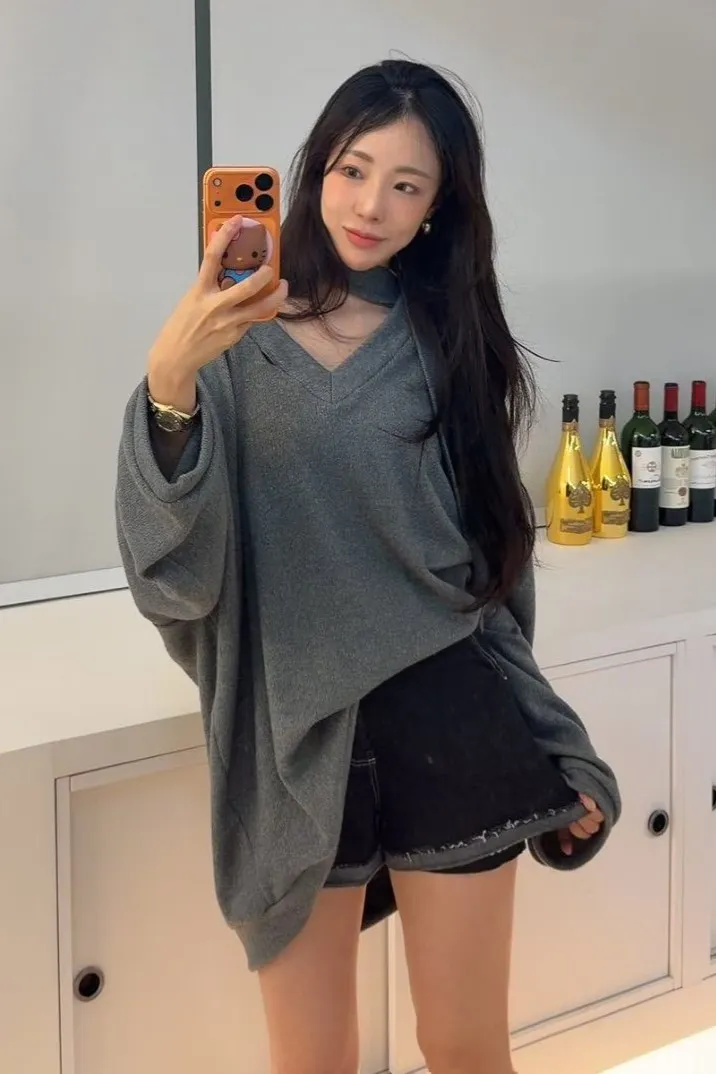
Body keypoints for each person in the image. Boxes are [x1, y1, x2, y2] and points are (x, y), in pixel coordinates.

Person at [116, 59, 621, 1074]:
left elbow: (486, 585)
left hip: (450, 718)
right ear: (315, 170)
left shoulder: (449, 349)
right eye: (353, 170)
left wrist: (559, 744)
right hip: (294, 739)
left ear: (437, 208)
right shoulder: (229, 339)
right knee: (313, 1060)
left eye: (406, 185)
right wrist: (168, 384)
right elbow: (173, 576)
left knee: (466, 1047)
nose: (370, 206)